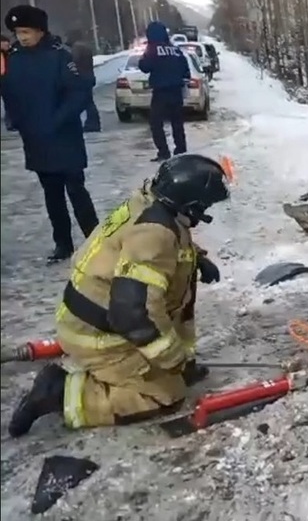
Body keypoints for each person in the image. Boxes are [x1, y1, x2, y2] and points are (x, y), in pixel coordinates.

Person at [8, 154, 229, 437]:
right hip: (100, 334)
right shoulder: (155, 234)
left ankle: (172, 365)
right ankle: (58, 393)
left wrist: (195, 258)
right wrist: (173, 360)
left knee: (168, 323)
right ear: (190, 203)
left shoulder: (150, 204)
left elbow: (147, 251)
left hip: (95, 314)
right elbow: (133, 314)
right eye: (206, 203)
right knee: (166, 395)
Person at [1, 5, 99, 264]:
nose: (21, 37)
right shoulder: (13, 59)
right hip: (35, 139)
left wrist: (56, 121)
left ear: (40, 31)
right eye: (17, 32)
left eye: (26, 31)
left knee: (76, 190)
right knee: (51, 194)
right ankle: (63, 244)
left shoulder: (60, 56)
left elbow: (78, 93)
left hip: (64, 137)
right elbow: (9, 94)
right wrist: (16, 119)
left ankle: (97, 240)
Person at [139, 21, 191, 162]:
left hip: (161, 92)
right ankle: (181, 150)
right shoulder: (175, 50)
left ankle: (163, 152)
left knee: (156, 123)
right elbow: (186, 71)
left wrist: (144, 56)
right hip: (176, 92)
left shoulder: (153, 49)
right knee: (177, 124)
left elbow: (145, 66)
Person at [67, 37, 100, 132]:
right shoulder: (84, 47)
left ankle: (92, 124)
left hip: (83, 78)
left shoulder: (77, 48)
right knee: (88, 102)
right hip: (89, 77)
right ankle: (93, 123)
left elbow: (74, 61)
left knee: (86, 102)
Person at [0, 33, 16, 131]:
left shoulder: (10, 54)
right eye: (5, 44)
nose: (7, 46)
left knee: (10, 101)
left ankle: (10, 123)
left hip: (6, 80)